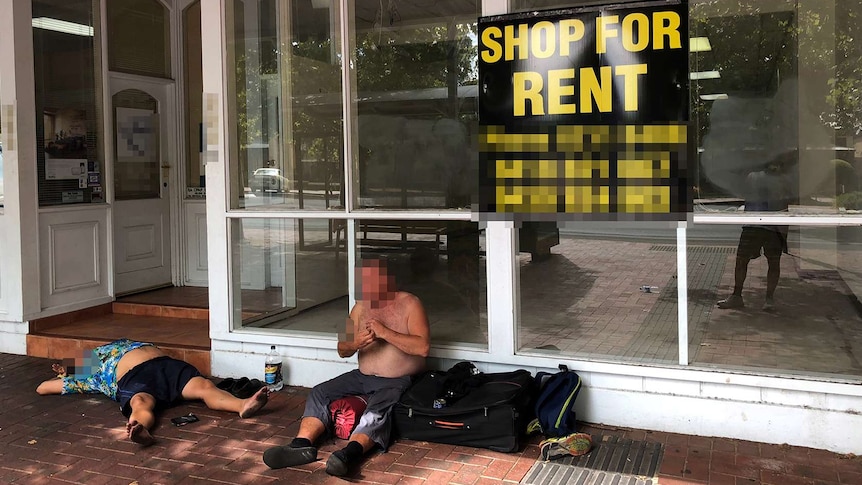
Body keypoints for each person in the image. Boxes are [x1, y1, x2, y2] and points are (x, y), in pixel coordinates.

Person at [263, 257, 430, 477]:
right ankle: (301, 445)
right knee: (319, 392)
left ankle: (349, 455)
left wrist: (385, 333)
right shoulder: (359, 308)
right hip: (362, 376)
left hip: (396, 379)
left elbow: (423, 347)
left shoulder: (410, 303)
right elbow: (342, 349)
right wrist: (355, 344)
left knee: (375, 413)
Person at [36, 338, 270, 446]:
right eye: (73, 366)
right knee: (140, 402)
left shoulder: (102, 352)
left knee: (204, 386)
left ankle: (242, 405)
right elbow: (42, 388)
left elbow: (74, 361)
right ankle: (140, 430)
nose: (75, 364)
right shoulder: (89, 379)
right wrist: (67, 375)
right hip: (134, 379)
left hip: (167, 368)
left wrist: (69, 365)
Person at [717, 154, 793, 312]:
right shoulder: (754, 177)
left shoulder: (781, 180)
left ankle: (768, 299)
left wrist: (784, 233)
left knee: (772, 262)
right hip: (754, 224)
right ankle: (738, 296)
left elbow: (784, 206)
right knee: (742, 260)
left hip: (771, 226)